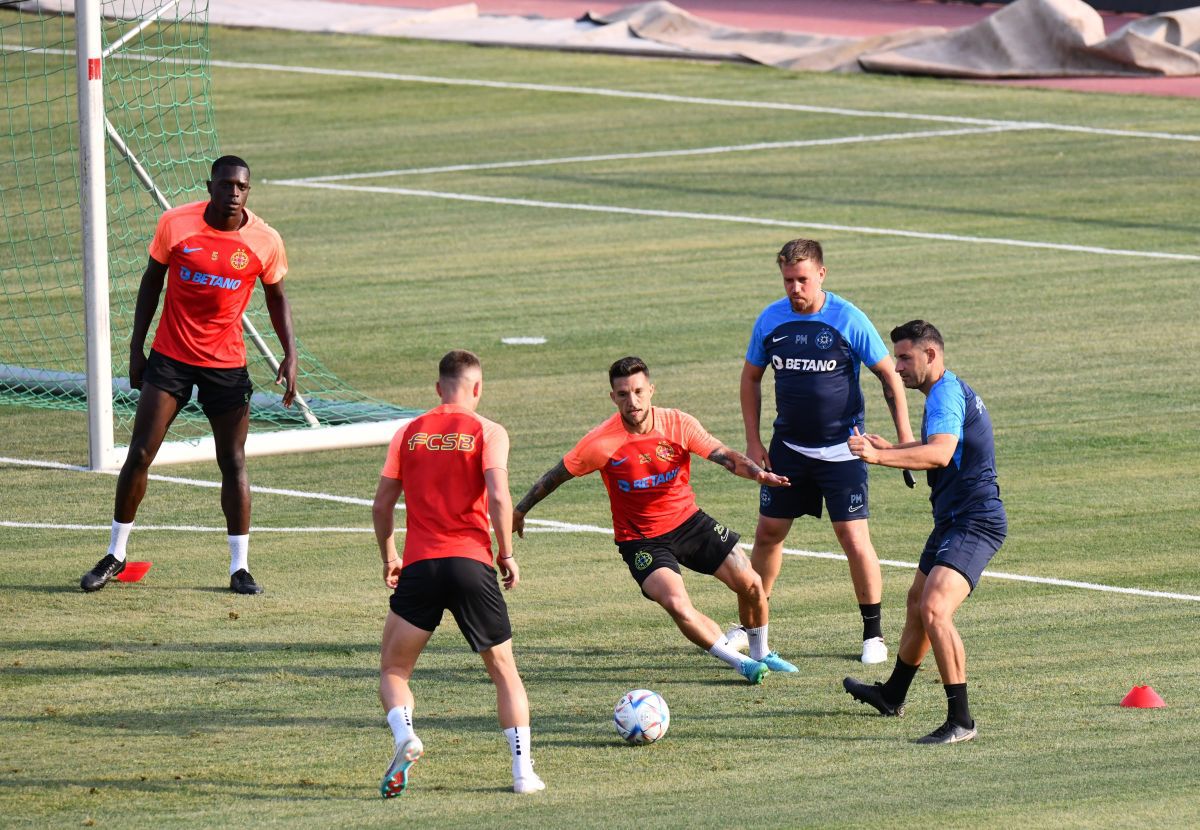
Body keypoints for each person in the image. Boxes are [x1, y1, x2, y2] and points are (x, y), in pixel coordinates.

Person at [79, 155, 296, 595]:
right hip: (171, 358)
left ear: (247, 191)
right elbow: (150, 282)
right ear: (210, 186)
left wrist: (290, 355)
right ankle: (116, 555)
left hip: (227, 365)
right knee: (140, 452)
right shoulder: (175, 224)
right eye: (226, 184)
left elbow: (277, 298)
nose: (234, 193)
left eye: (242, 187)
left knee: (232, 461)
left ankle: (240, 568)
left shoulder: (265, 241)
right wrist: (136, 348)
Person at [513, 356, 795, 684]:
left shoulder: (678, 424)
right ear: (613, 397)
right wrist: (520, 510)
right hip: (641, 539)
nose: (631, 401)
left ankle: (761, 652)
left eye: (637, 391)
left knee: (752, 584)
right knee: (676, 602)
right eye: (622, 394)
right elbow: (557, 475)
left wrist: (758, 473)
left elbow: (725, 457)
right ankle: (740, 663)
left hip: (688, 521)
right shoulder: (601, 442)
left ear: (651, 390)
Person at [373, 350, 544, 797]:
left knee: (394, 669)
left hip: (421, 566)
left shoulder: (407, 433)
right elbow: (499, 497)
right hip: (470, 563)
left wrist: (391, 555)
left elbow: (382, 505)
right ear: (477, 388)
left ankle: (404, 735)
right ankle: (523, 773)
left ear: (437, 389)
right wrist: (505, 552)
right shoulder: (488, 431)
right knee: (503, 670)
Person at [738, 238, 913, 664]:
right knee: (767, 534)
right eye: (787, 280)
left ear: (821, 274)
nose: (795, 288)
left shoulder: (848, 318)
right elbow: (750, 379)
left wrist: (906, 441)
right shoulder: (770, 321)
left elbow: (890, 378)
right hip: (789, 449)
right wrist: (754, 440)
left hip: (843, 451)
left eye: (802, 279)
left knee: (853, 538)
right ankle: (751, 627)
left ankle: (873, 634)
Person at [842, 320, 1006, 744]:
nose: (896, 368)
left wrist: (878, 459)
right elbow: (945, 447)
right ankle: (892, 695)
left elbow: (940, 452)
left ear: (930, 355)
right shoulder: (945, 390)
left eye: (904, 357)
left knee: (934, 609)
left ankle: (962, 722)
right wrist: (892, 447)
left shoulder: (945, 394)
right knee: (917, 602)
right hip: (952, 520)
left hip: (975, 521)